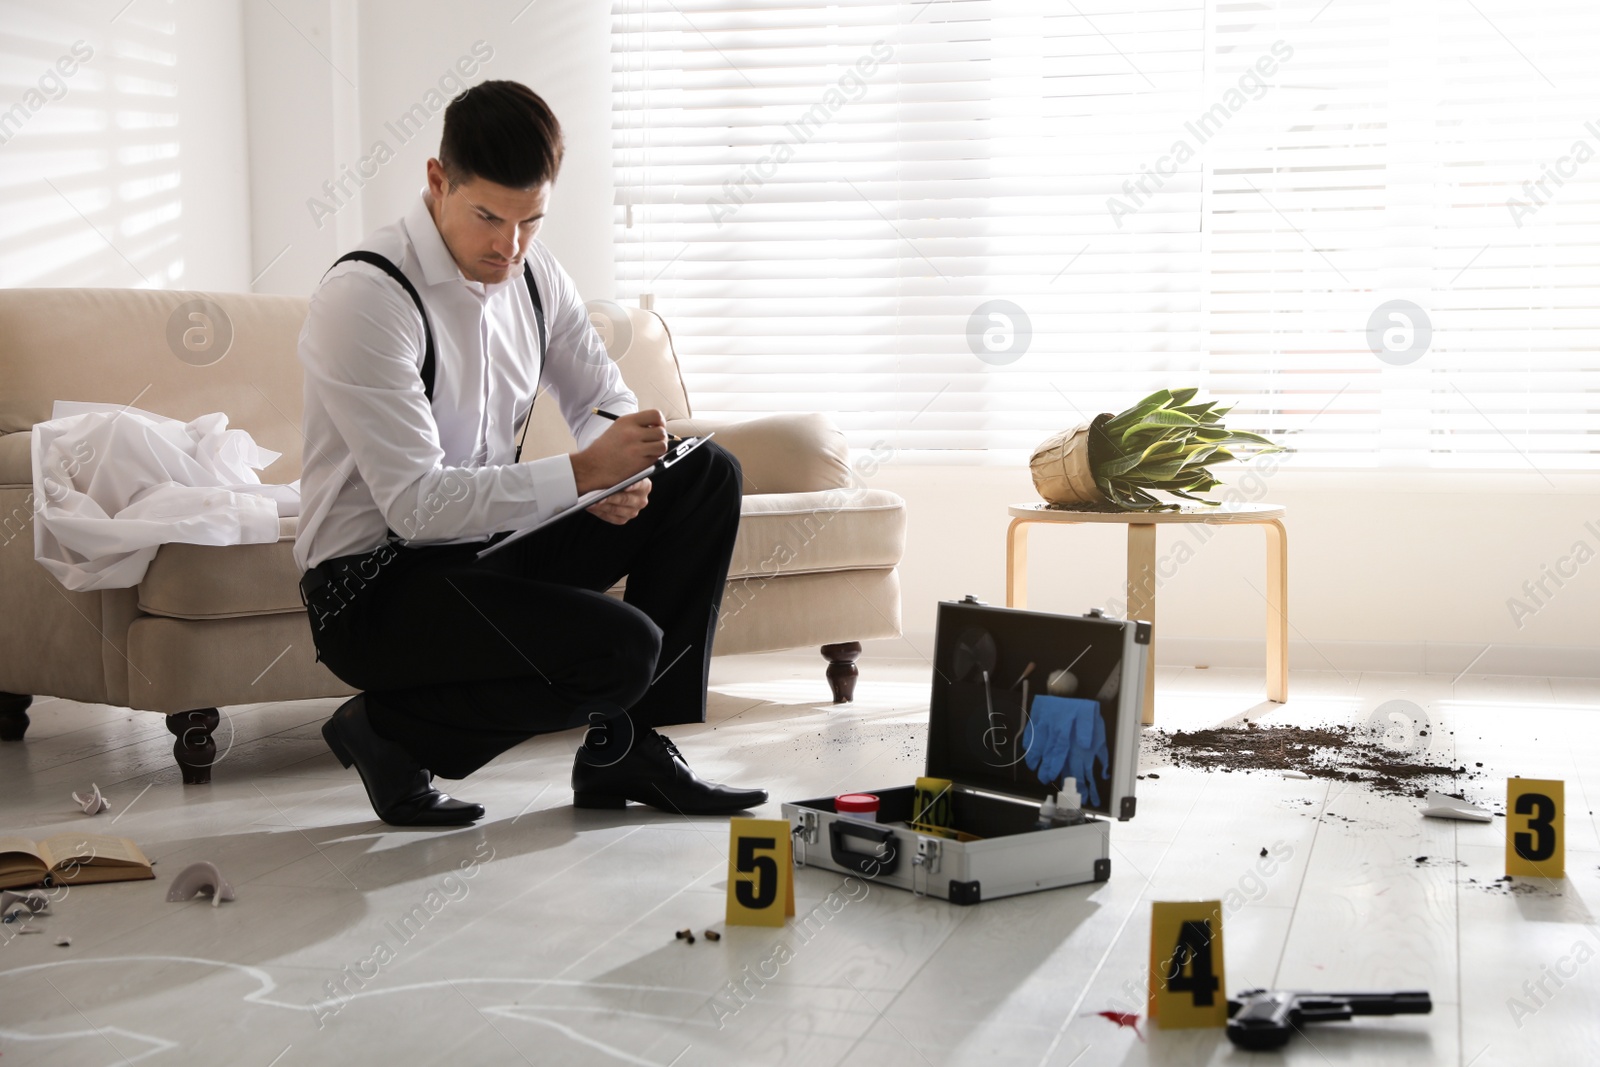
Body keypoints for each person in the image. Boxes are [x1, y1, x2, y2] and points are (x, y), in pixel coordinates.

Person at [293, 80, 766, 827]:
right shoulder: (367, 296)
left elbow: (601, 400)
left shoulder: (536, 275)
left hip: (489, 552)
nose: (508, 246)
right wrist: (583, 474)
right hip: (375, 589)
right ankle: (387, 732)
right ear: (436, 180)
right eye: (488, 217)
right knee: (623, 650)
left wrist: (623, 467)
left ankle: (628, 750)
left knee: (702, 474)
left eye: (530, 221)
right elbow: (416, 506)